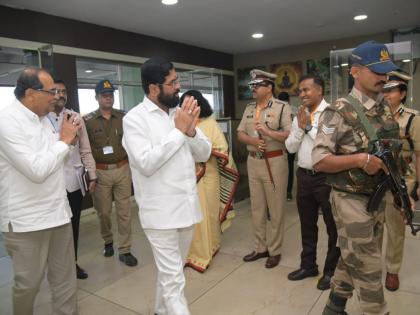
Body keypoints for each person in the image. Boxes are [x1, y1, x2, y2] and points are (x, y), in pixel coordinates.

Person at [312, 41, 401, 315]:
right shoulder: (336, 111)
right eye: (377, 71)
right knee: (369, 265)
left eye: (386, 72)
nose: (383, 78)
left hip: (377, 198)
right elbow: (319, 160)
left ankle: (334, 306)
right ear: (355, 72)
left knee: (353, 254)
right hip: (349, 199)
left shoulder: (383, 108)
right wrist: (361, 160)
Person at [122, 57, 211, 315]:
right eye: (172, 82)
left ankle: (160, 311)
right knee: (174, 280)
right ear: (153, 88)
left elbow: (204, 153)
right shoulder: (134, 119)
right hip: (159, 215)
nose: (178, 86)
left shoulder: (179, 112)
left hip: (186, 209)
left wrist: (191, 131)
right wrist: (178, 132)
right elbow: (145, 163)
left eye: (177, 80)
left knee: (171, 272)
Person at [0, 67, 80, 315]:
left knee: (66, 281)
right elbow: (36, 170)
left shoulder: (44, 119)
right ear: (32, 93)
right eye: (51, 91)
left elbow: (53, 161)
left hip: (57, 213)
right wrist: (64, 142)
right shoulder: (6, 122)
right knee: (28, 285)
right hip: (27, 221)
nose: (56, 96)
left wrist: (64, 141)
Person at [285, 75, 340, 290]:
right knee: (307, 225)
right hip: (304, 176)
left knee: (332, 227)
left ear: (319, 91)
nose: (302, 94)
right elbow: (290, 147)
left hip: (326, 178)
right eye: (300, 91)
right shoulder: (300, 114)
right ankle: (308, 265)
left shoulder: (332, 114)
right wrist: (300, 127)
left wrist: (308, 128)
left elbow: (330, 145)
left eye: (306, 90)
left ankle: (331, 271)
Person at [44, 78, 97, 279]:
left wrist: (92, 175)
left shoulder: (75, 117)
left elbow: (85, 149)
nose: (60, 95)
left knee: (73, 226)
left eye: (64, 91)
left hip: (73, 183)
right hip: (50, 184)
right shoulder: (40, 118)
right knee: (52, 229)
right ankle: (54, 267)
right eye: (55, 90)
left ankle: (72, 264)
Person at [238, 69, 292, 269]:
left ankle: (275, 250)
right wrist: (252, 140)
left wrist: (268, 132)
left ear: (269, 87)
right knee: (257, 208)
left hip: (275, 162)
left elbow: (289, 134)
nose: (253, 88)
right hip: (254, 161)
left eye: (257, 85)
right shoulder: (249, 108)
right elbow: (240, 133)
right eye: (252, 85)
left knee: (276, 209)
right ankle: (260, 248)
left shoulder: (282, 107)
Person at [181, 90, 239, 273]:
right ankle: (194, 251)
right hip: (188, 176)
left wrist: (203, 150)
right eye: (185, 103)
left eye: (192, 104)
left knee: (209, 213)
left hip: (209, 174)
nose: (189, 107)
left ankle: (210, 247)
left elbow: (222, 148)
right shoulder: (180, 125)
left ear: (200, 105)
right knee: (192, 216)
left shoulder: (210, 123)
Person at [84, 80, 138, 267]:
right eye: (104, 94)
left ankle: (125, 249)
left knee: (124, 211)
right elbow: (85, 150)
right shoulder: (88, 121)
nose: (108, 97)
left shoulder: (125, 117)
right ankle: (108, 241)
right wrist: (90, 174)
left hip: (122, 168)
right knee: (104, 212)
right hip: (101, 172)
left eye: (111, 94)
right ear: (97, 97)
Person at [381, 71, 420, 291]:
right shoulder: (376, 116)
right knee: (375, 227)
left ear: (402, 93)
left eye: (391, 90)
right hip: (377, 178)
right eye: (384, 89)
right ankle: (371, 266)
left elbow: (419, 154)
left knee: (396, 230)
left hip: (402, 179)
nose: (386, 94)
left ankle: (392, 270)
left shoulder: (413, 118)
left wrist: (418, 187)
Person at [278, 91, 295, 200]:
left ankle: (280, 191)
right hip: (291, 143)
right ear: (289, 99)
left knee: (278, 169)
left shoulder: (276, 109)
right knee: (290, 167)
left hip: (278, 143)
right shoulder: (294, 109)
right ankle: (288, 192)